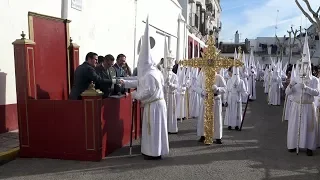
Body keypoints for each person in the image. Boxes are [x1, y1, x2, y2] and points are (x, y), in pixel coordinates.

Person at [120, 18, 169, 160]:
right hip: (157, 105)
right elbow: (140, 81)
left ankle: (153, 153)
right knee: (156, 130)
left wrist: (135, 95)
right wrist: (125, 83)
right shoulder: (155, 72)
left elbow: (146, 91)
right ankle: (156, 151)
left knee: (152, 130)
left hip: (153, 106)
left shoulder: (150, 75)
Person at [285, 35, 319, 156]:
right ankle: (293, 145)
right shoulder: (295, 78)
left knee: (308, 128)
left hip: (308, 106)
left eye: (306, 66)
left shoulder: (315, 80)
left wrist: (307, 88)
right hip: (296, 106)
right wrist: (291, 85)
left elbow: (317, 92)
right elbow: (287, 93)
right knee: (295, 127)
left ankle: (309, 147)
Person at [194, 69, 226, 144]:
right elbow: (197, 87)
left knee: (216, 118)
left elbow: (225, 88)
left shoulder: (219, 77)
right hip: (205, 99)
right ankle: (203, 135)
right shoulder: (202, 77)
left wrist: (218, 89)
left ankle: (217, 137)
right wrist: (202, 92)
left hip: (215, 100)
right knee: (203, 118)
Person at [224, 65, 248, 130]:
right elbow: (226, 91)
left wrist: (247, 95)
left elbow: (244, 91)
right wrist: (225, 100)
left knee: (237, 112)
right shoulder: (229, 81)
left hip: (237, 98)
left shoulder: (241, 82)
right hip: (230, 98)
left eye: (237, 74)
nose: (235, 75)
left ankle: (237, 124)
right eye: (234, 74)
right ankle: (230, 124)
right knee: (230, 111)